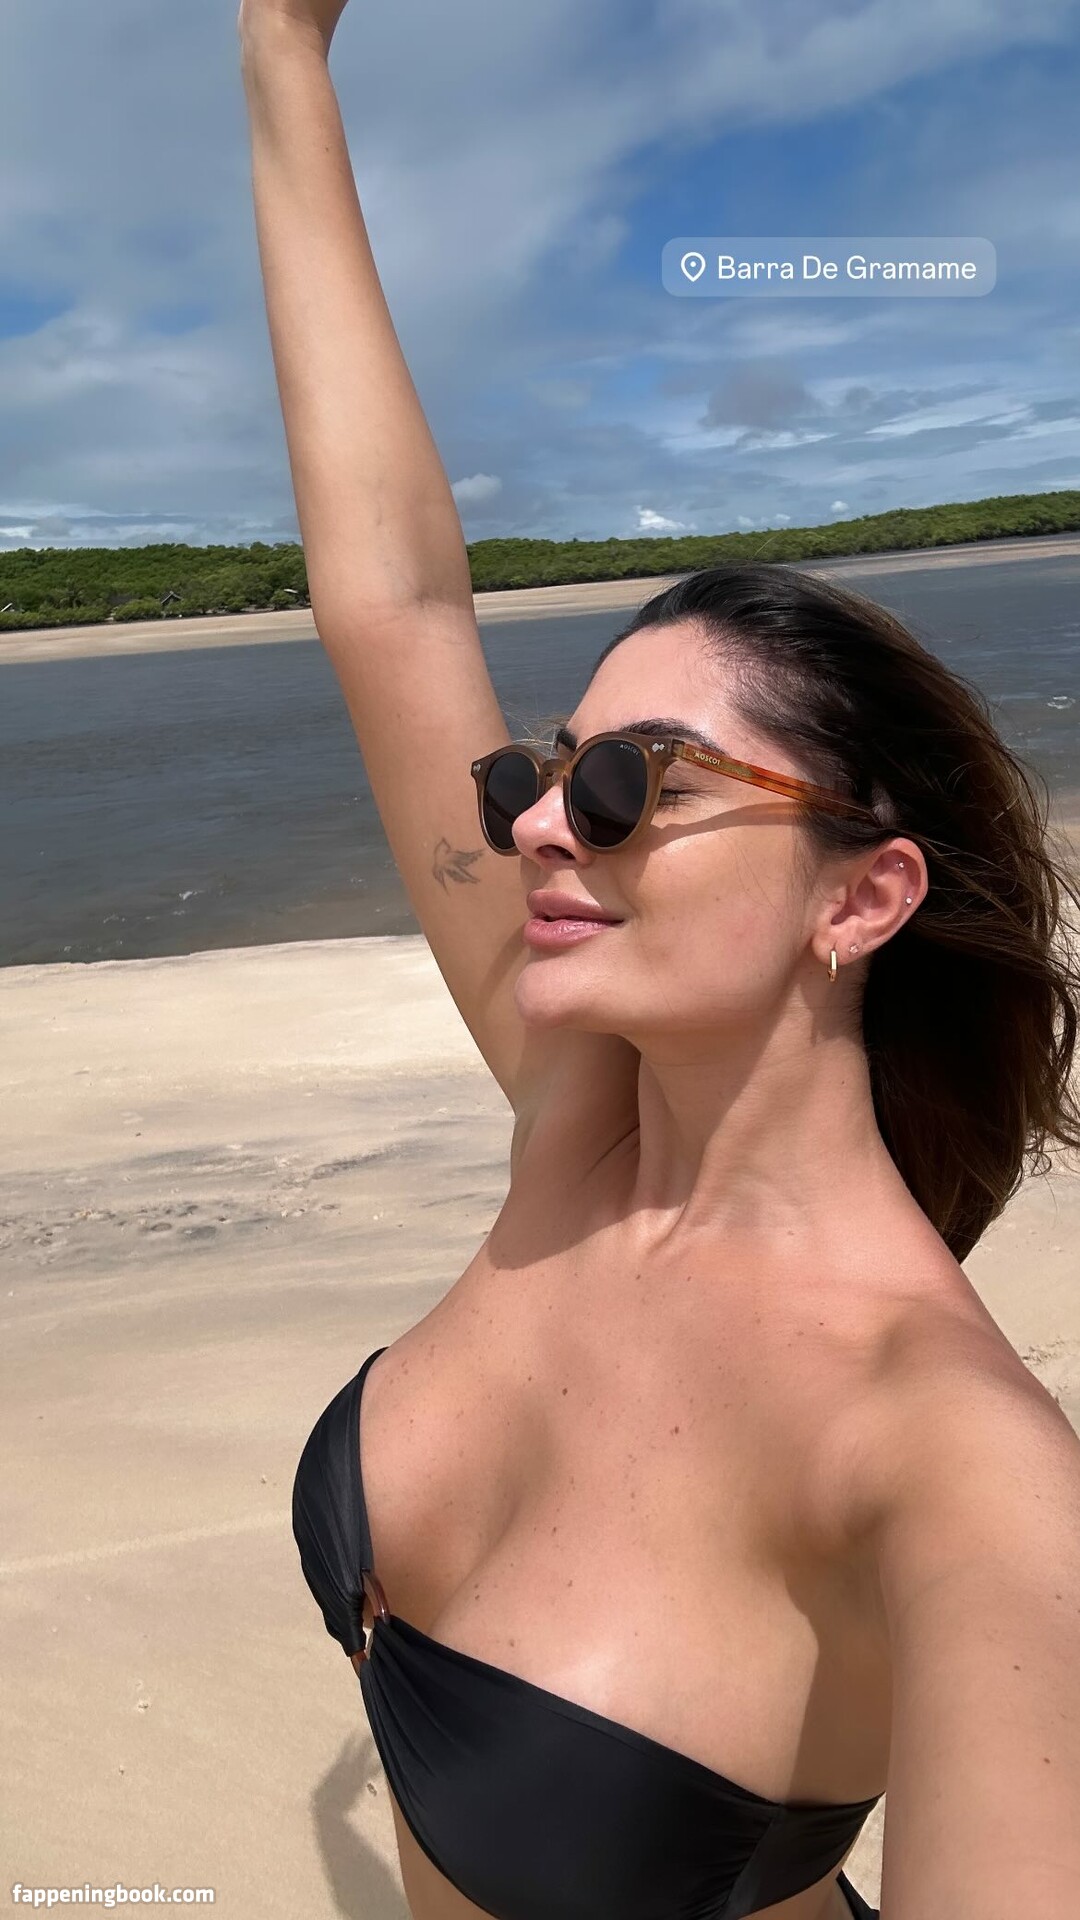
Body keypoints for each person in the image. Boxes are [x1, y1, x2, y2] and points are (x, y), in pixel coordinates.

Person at [239, 4, 1080, 1915]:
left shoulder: (956, 1467)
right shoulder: (586, 1120)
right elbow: (394, 597)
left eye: (638, 784)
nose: (547, 820)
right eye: (547, 774)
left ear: (861, 898)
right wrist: (281, 46)